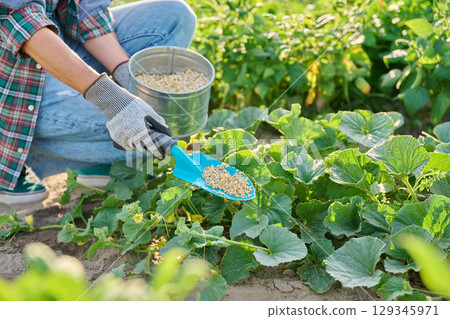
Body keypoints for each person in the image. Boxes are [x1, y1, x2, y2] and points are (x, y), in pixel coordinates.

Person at [0, 0, 196, 204]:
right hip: (12, 80)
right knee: (150, 127)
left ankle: (97, 161)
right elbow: (21, 23)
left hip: (54, 38)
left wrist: (126, 74)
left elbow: (84, 8)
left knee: (177, 17)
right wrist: (112, 100)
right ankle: (13, 153)